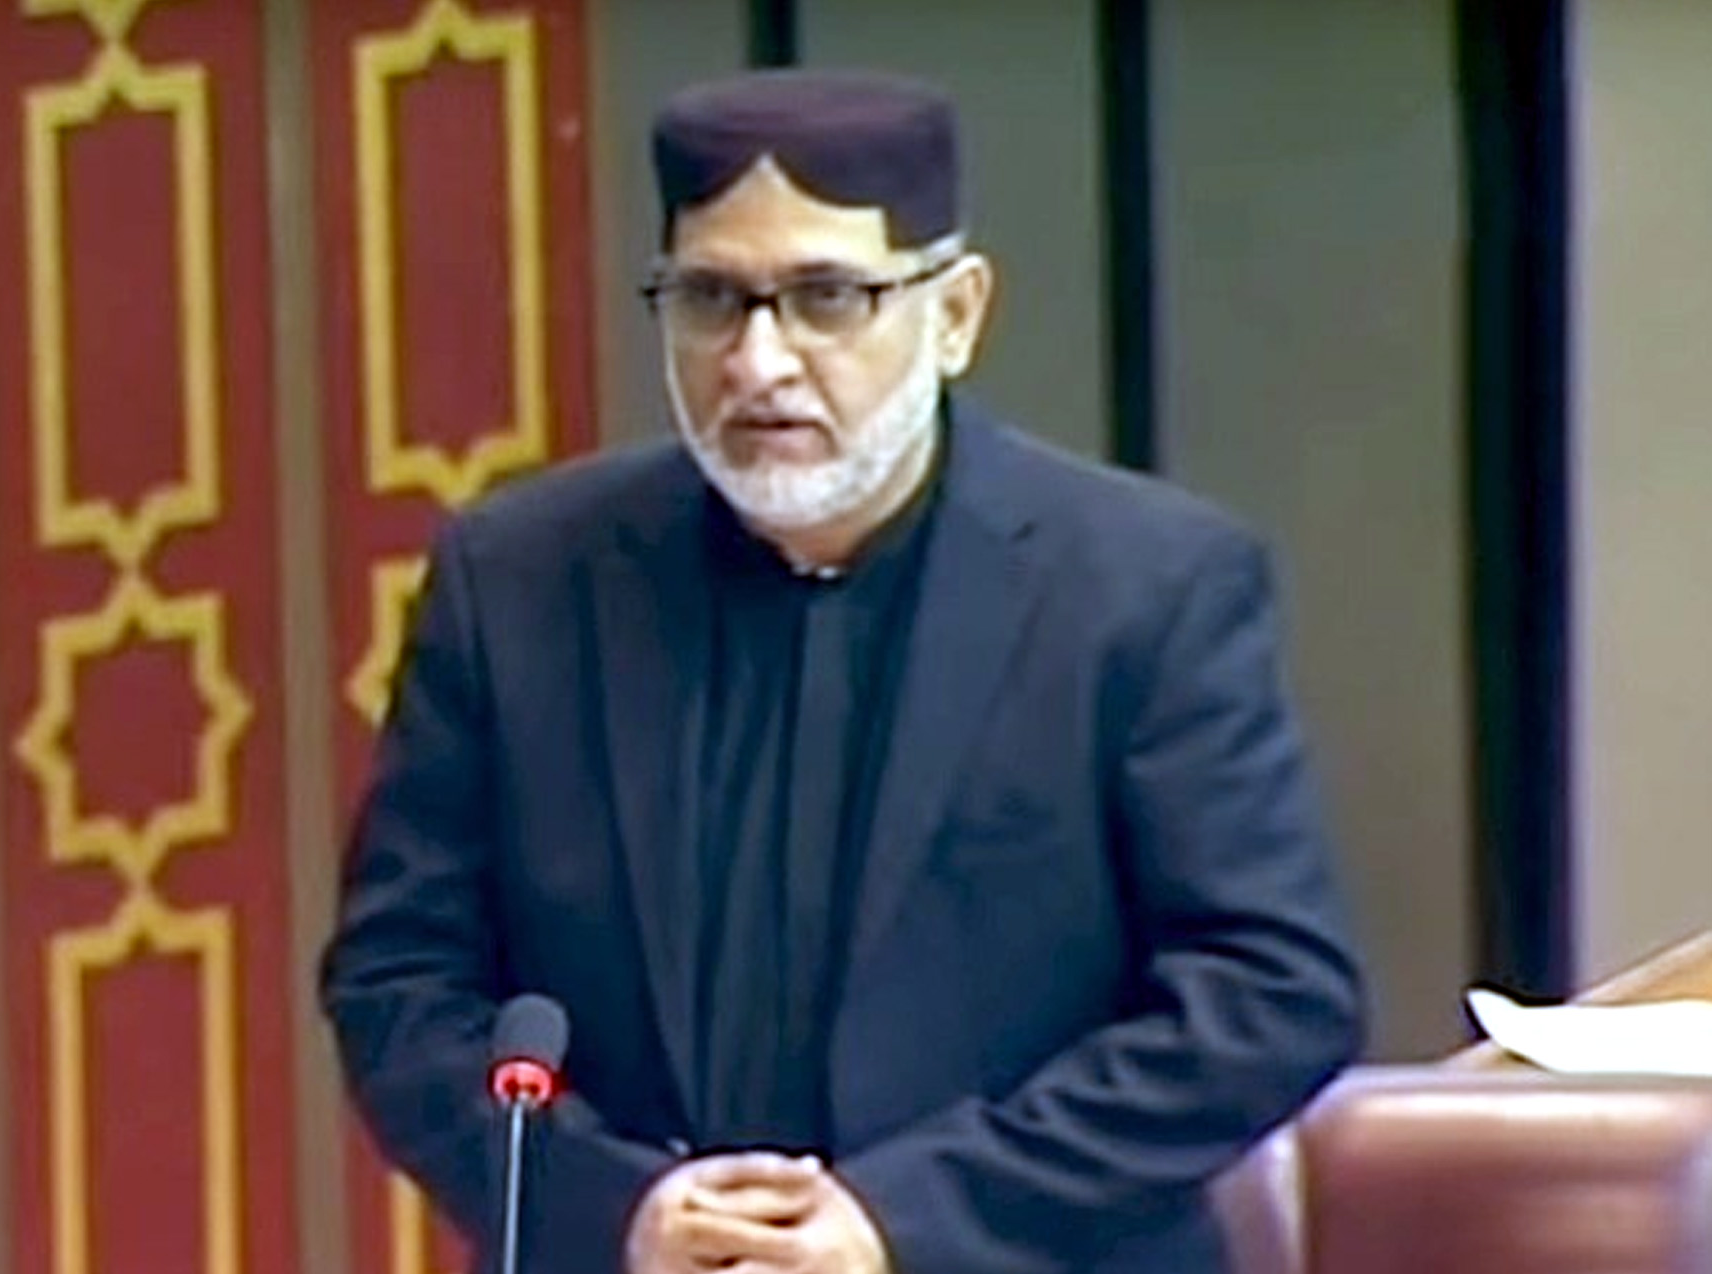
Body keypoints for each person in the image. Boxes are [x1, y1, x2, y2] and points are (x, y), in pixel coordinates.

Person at [320, 68, 1363, 1274]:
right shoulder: (520, 581)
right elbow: (400, 978)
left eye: (826, 298)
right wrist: (616, 1207)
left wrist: (900, 1219)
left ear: (954, 313)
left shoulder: (1142, 588)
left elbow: (1268, 992)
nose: (757, 362)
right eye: (710, 299)